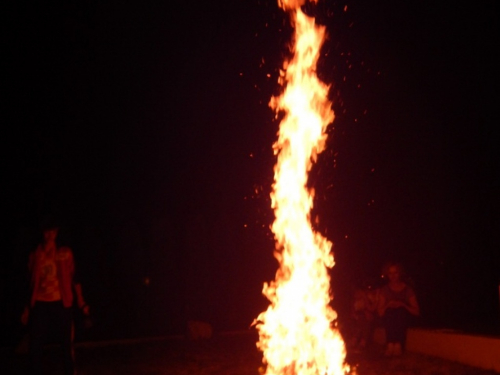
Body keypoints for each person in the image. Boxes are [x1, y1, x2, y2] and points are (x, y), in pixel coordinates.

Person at [21, 218, 89, 375]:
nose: (50, 234)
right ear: (43, 233)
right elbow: (30, 283)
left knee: (66, 343)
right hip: (40, 303)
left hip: (61, 302)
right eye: (47, 231)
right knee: (36, 344)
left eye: (53, 231)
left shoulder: (64, 253)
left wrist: (81, 302)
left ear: (57, 232)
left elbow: (75, 278)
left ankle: (70, 372)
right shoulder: (35, 255)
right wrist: (26, 308)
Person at [377, 261, 419, 357]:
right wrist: (388, 305)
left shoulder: (407, 290)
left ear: (400, 273)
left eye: (395, 273)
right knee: (390, 312)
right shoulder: (385, 290)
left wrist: (403, 304)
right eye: (390, 273)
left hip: (403, 317)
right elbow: (380, 312)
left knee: (400, 311)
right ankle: (391, 344)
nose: (393, 276)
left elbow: (416, 311)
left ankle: (398, 345)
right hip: (389, 317)